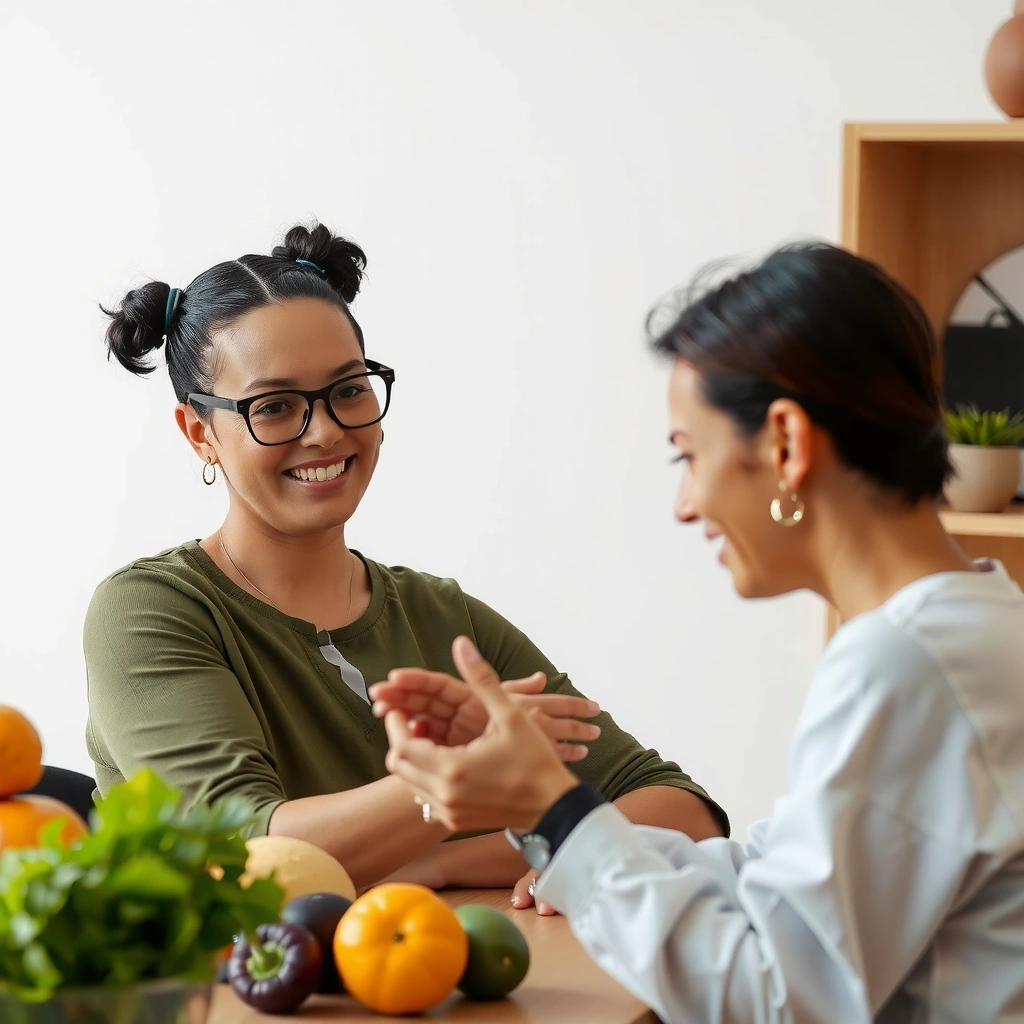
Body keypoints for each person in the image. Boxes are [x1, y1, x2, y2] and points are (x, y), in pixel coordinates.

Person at [376, 242, 1024, 1021]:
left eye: (689, 455)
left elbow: (770, 999)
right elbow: (781, 881)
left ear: (784, 443)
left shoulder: (905, 662)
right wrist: (543, 814)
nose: (685, 504)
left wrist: (553, 812)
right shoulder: (979, 624)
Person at [85, 222, 726, 904]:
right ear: (199, 434)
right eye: (274, 406)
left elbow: (683, 814)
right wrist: (464, 784)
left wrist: (447, 864)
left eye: (349, 390)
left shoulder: (439, 616)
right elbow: (246, 857)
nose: (327, 429)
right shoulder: (150, 611)